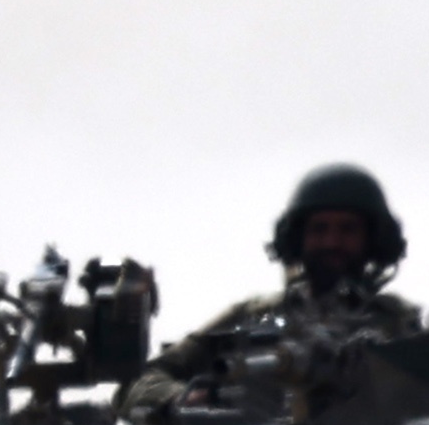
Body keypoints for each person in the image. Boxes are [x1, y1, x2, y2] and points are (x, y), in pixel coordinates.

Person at [148, 162, 413, 384]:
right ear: (297, 240)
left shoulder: (400, 323)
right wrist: (182, 401)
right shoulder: (250, 317)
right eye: (319, 230)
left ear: (374, 241)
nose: (332, 242)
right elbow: (145, 381)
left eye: (348, 230)